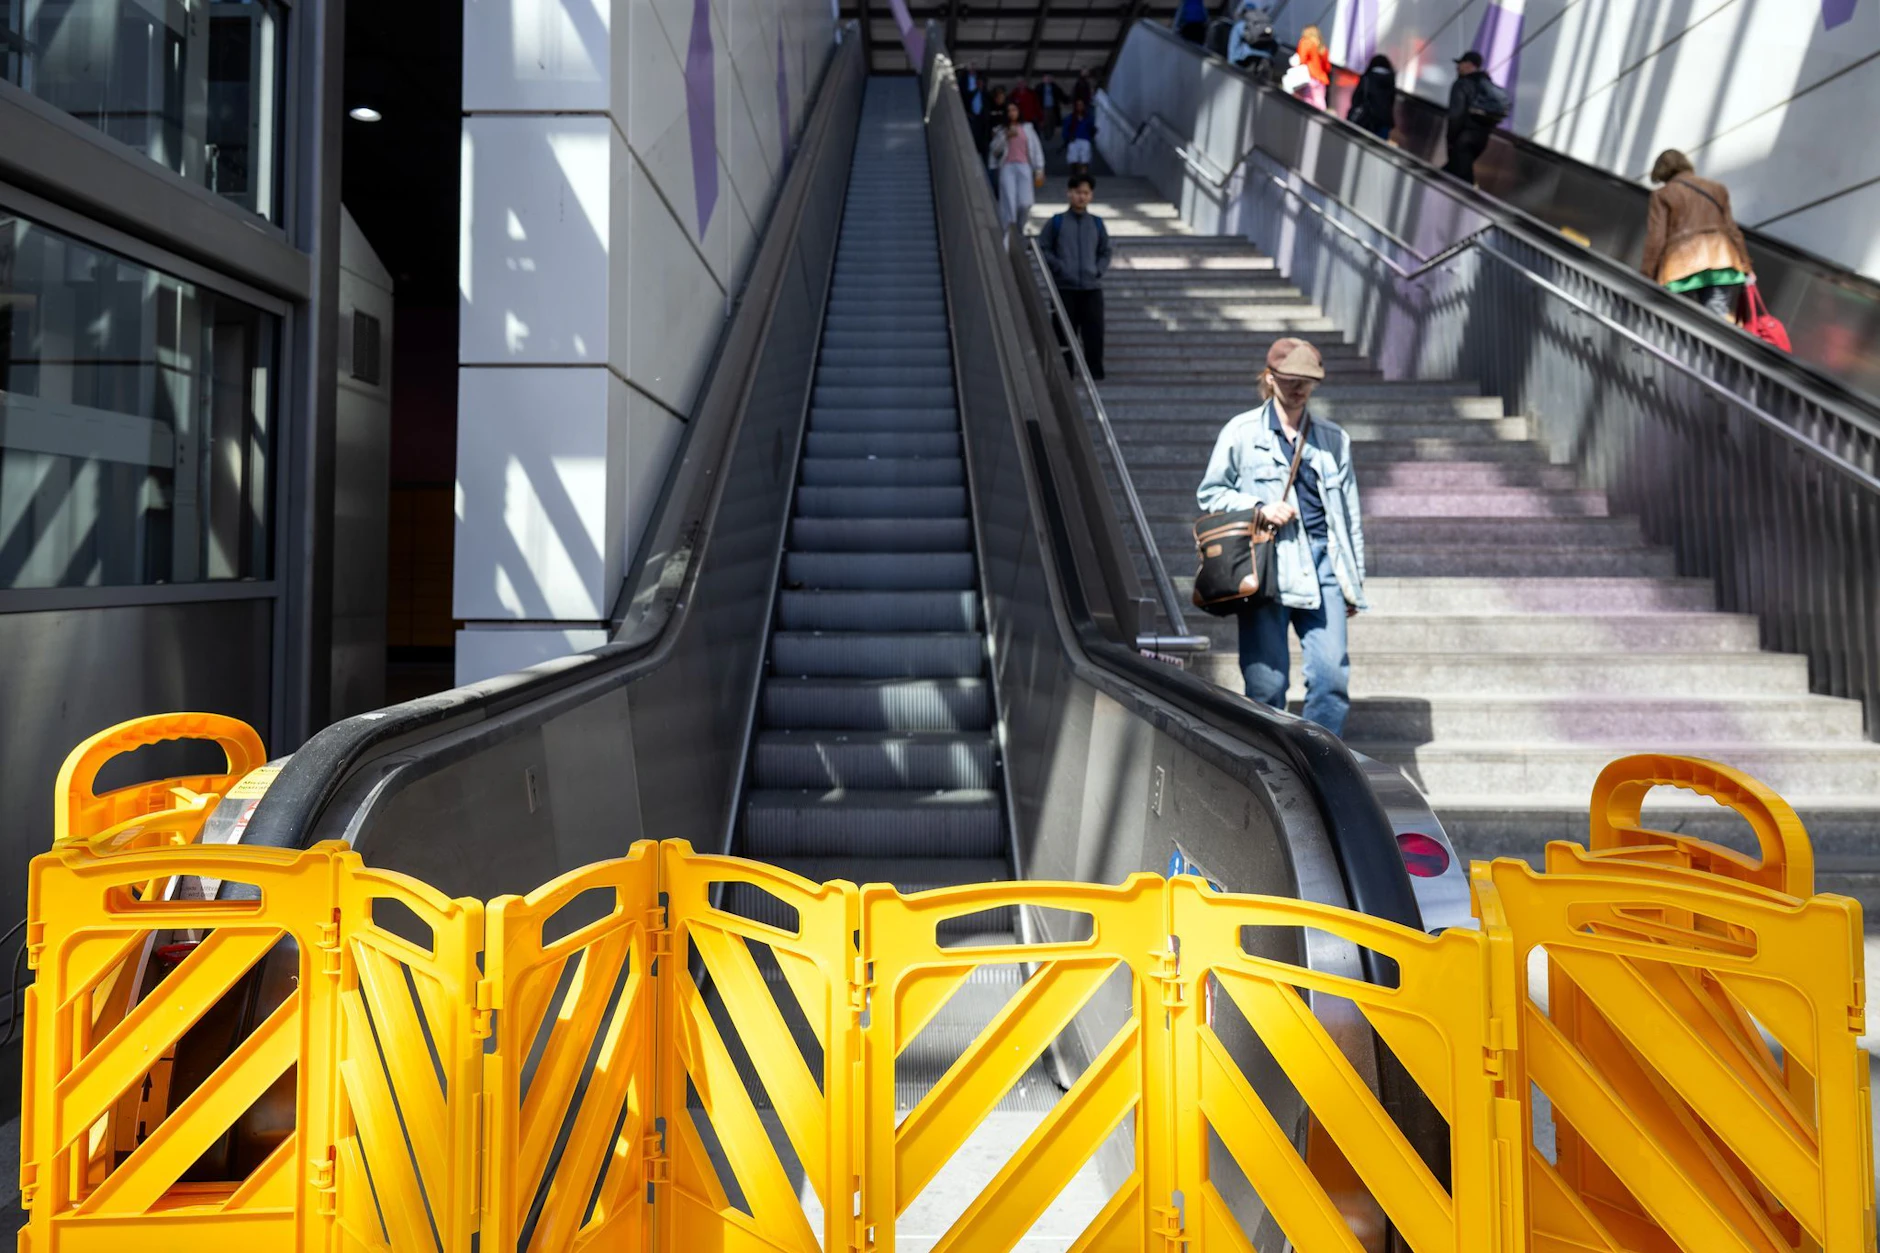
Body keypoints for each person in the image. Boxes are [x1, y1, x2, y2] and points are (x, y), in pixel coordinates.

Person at [1197, 338, 1367, 735]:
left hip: (1325, 565)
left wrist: (1353, 581)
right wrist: (1259, 506)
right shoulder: (1241, 432)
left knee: (1331, 680)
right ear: (1270, 378)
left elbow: (1350, 516)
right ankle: (1271, 764)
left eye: (1308, 380)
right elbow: (1210, 493)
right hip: (1267, 566)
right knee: (1266, 687)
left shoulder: (1333, 438)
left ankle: (1318, 763)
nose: (1300, 388)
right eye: (1291, 379)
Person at [1640, 149, 1754, 320]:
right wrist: (1746, 266)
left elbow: (1656, 239)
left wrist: (1646, 275)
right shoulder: (1717, 189)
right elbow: (1732, 231)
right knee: (1716, 318)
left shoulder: (1662, 195)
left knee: (1679, 319)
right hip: (1721, 262)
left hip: (1681, 266)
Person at [1040, 175, 1112, 380]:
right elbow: (1043, 247)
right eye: (1078, 192)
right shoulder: (1057, 222)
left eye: (1086, 193)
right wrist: (1059, 268)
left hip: (1091, 288)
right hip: (1064, 287)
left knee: (1094, 332)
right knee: (1063, 332)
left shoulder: (1097, 223)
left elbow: (1105, 251)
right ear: (1069, 193)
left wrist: (1097, 270)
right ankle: (1064, 374)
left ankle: (1094, 372)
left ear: (1091, 196)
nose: (1082, 197)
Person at [1443, 51, 1509, 185]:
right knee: (1451, 173)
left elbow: (1456, 115)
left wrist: (1450, 139)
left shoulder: (1462, 84)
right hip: (1481, 140)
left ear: (1469, 65)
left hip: (1463, 138)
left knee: (1462, 181)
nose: (1457, 67)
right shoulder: (1486, 85)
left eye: (1460, 64)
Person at [989, 101, 1045, 230]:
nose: (1011, 113)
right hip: (1007, 167)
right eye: (1009, 111)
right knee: (1009, 201)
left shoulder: (1027, 128)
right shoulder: (1000, 130)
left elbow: (1036, 149)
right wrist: (1005, 137)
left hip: (1024, 166)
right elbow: (994, 150)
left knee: (1025, 202)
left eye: (1014, 110)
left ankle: (1020, 227)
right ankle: (1009, 230)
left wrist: (1039, 168)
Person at [1346, 54, 1397, 140]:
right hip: (1384, 123)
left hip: (1366, 120)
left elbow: (1356, 99)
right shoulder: (1390, 81)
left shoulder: (1367, 78)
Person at [1291, 25, 1332, 110]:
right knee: (1319, 104)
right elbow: (1327, 67)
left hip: (1309, 77)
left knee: (1304, 104)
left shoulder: (1306, 42)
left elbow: (1302, 59)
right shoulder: (1323, 48)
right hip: (1320, 80)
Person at [1062, 97, 1097, 177]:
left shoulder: (1088, 118)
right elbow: (1065, 130)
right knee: (1073, 159)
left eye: (1081, 105)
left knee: (1085, 160)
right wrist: (1068, 137)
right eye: (1078, 105)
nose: (1079, 107)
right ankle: (1075, 175)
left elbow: (1092, 129)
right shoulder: (1070, 118)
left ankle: (1083, 175)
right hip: (1074, 140)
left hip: (1085, 139)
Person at [1036, 73, 1063, 143]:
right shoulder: (1039, 87)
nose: (1048, 79)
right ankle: (1046, 135)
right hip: (1044, 108)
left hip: (1052, 108)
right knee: (1045, 121)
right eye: (1046, 78)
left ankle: (1050, 134)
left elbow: (1061, 95)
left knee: (1052, 121)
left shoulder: (1055, 87)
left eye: (1049, 78)